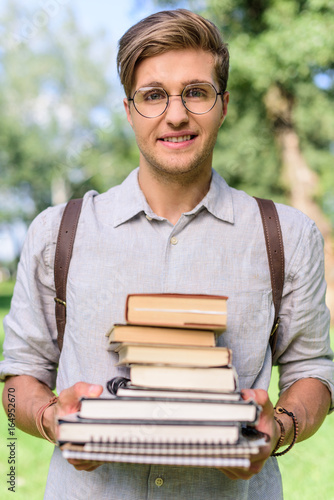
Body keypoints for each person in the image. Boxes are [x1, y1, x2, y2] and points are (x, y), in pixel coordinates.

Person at [1, 8, 333, 500]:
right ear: (129, 108)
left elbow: (314, 373)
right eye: (153, 95)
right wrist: (53, 419)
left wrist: (278, 428)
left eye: (195, 92)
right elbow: (17, 379)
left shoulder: (285, 235)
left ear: (223, 105)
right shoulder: (58, 233)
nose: (175, 114)